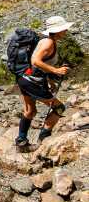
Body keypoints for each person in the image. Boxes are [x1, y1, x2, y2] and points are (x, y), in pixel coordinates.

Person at [15, 16, 73, 149]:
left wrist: (49, 79)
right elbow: (36, 61)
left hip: (25, 79)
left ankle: (21, 142)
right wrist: (56, 70)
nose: (66, 31)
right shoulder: (49, 43)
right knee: (59, 107)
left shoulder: (45, 40)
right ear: (57, 30)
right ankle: (43, 143)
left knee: (30, 111)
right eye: (64, 28)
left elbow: (37, 65)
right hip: (33, 82)